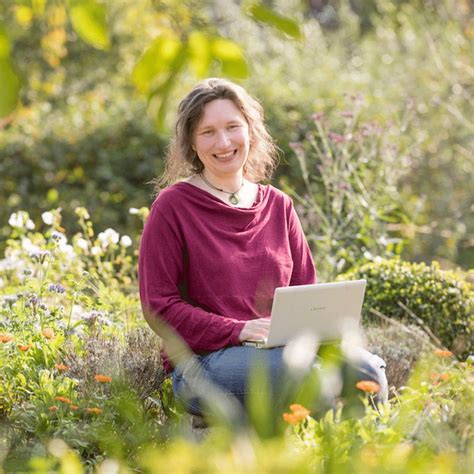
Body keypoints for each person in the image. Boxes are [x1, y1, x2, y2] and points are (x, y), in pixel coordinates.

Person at [139, 78, 388, 418]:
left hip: (281, 350)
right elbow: (160, 307)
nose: (223, 142)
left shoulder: (278, 205)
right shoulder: (173, 207)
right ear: (191, 144)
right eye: (207, 132)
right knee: (309, 377)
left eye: (232, 127)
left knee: (368, 372)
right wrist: (238, 329)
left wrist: (321, 332)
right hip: (204, 362)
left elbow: (306, 293)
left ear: (250, 132)